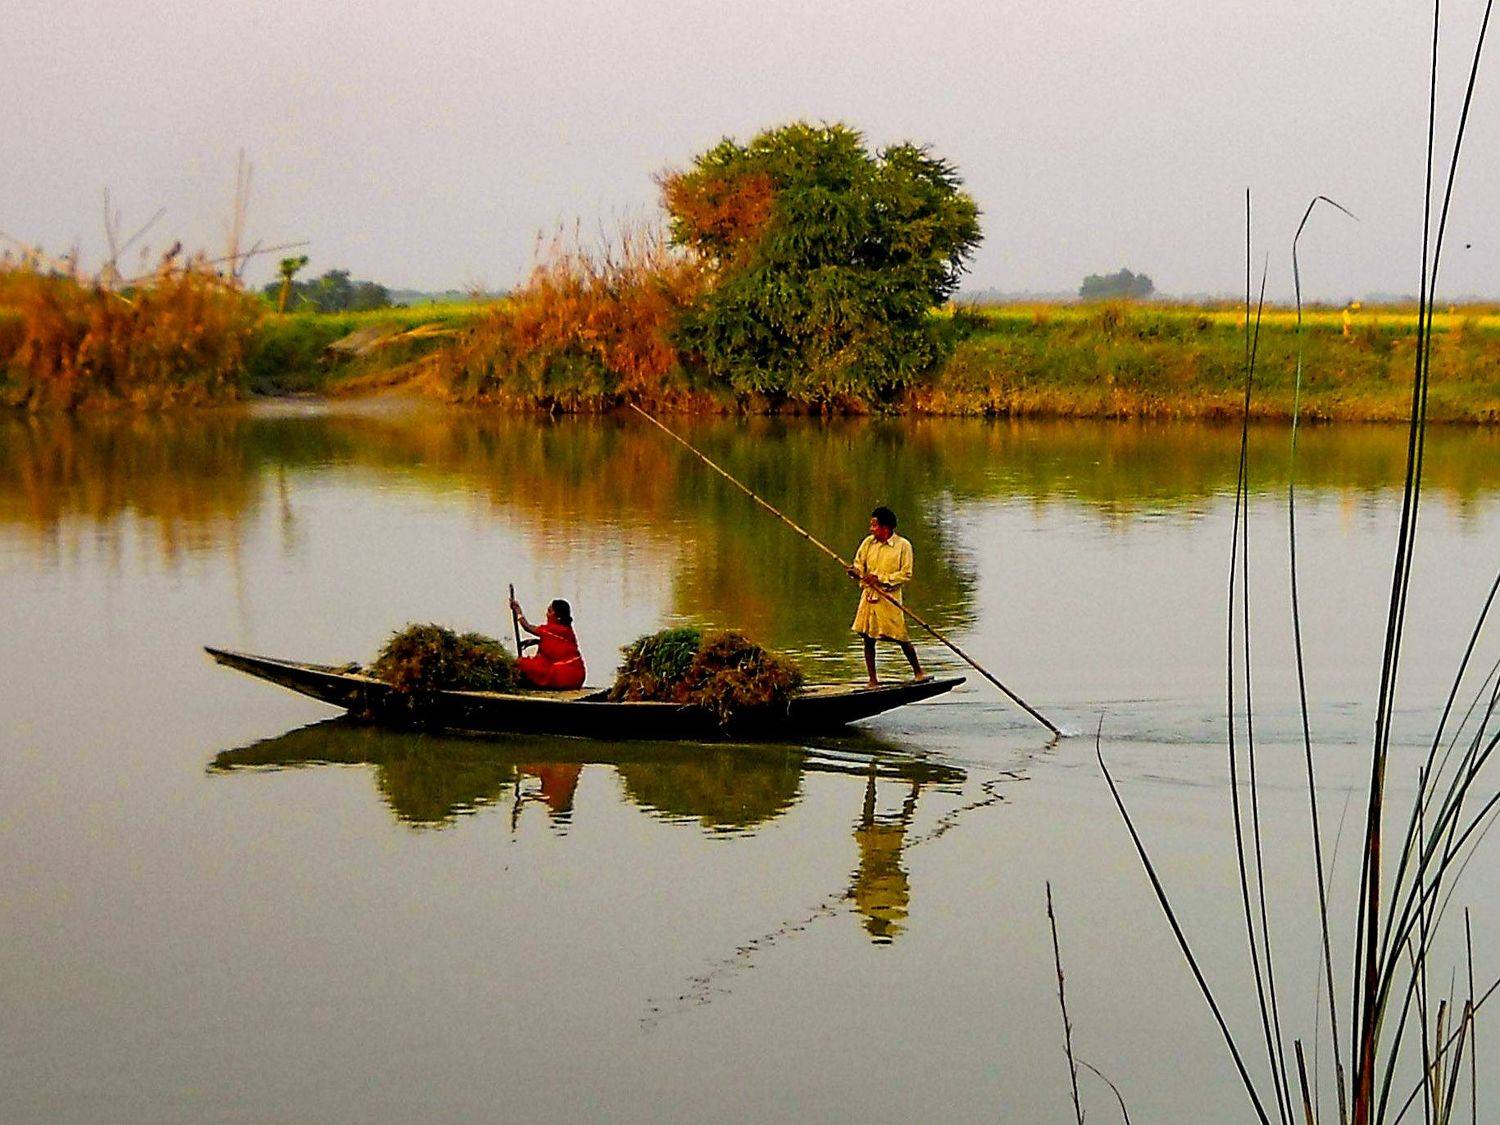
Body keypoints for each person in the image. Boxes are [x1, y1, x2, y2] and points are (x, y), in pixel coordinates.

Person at [847, 505, 925, 688]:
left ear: (886, 528)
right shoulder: (868, 543)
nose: (871, 529)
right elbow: (859, 563)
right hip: (869, 596)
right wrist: (856, 572)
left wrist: (880, 578)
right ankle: (873, 680)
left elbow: (905, 574)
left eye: (874, 526)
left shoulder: (903, 546)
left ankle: (919, 673)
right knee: (867, 637)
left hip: (889, 597)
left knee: (900, 636)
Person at [508, 595, 587, 690]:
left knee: (522, 663)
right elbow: (557, 646)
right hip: (577, 675)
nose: (547, 614)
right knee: (529, 664)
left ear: (558, 617)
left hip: (566, 674)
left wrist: (518, 611)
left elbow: (527, 627)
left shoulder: (555, 629)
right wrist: (537, 641)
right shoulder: (566, 630)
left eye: (550, 611)